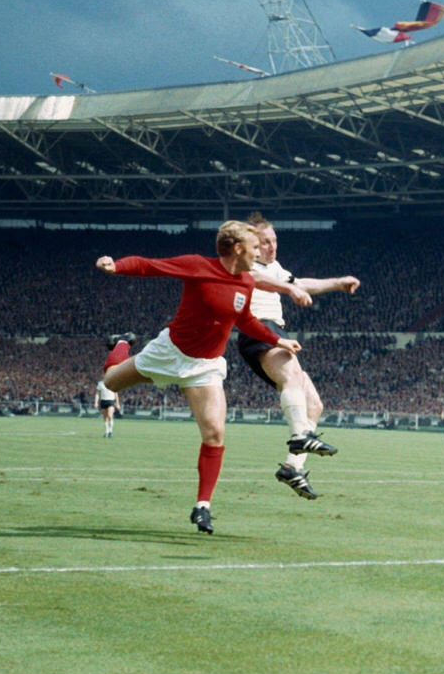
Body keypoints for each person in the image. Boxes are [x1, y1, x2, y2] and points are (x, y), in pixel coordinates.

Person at [96, 221, 301, 534]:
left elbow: (245, 319)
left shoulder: (246, 281)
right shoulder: (198, 266)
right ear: (237, 248)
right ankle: (122, 343)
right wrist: (116, 266)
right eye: (255, 246)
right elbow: (150, 266)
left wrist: (279, 340)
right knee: (110, 382)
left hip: (203, 367)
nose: (260, 251)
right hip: (168, 353)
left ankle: (202, 506)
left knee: (215, 433)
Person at [242, 213, 360, 500]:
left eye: (274, 241)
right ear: (253, 246)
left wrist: (338, 283)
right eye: (265, 242)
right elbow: (260, 280)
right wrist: (290, 288)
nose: (272, 247)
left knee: (314, 405)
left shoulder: (276, 268)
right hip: (258, 328)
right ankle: (299, 437)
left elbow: (302, 282)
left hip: (273, 331)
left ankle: (291, 467)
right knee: (293, 377)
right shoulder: (246, 266)